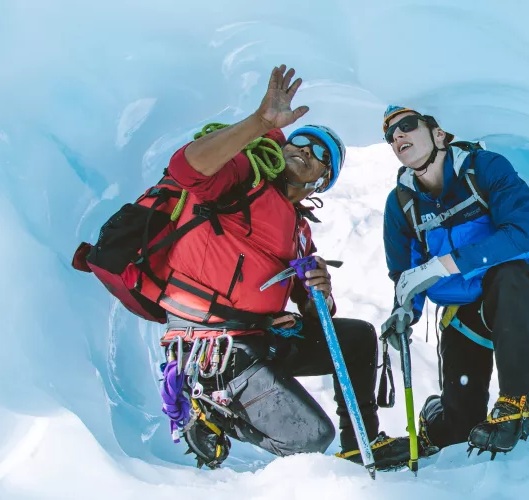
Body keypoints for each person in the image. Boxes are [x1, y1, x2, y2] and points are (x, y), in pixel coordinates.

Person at [156, 65, 408, 470]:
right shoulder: (244, 177)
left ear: (322, 182)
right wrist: (258, 124)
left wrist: (318, 294)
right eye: (304, 141)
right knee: (310, 438)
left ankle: (361, 442)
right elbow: (187, 169)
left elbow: (315, 316)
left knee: (357, 338)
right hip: (216, 345)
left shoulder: (300, 233)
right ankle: (213, 412)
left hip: (256, 338)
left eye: (321, 155)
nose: (308, 150)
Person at [379, 105, 529, 459]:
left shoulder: (485, 169)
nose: (397, 135)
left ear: (440, 134)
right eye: (390, 135)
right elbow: (405, 273)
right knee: (462, 431)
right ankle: (438, 422)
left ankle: (515, 407)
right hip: (462, 315)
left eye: (406, 125)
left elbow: (521, 235)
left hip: (510, 298)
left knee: (512, 277)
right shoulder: (401, 204)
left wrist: (446, 265)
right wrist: (405, 313)